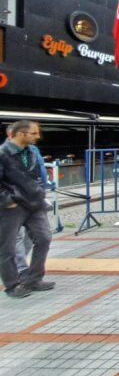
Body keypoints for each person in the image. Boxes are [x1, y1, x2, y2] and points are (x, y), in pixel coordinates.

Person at [0, 121, 53, 298]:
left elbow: (36, 176)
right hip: (12, 207)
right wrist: (7, 201)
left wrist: (40, 194)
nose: (38, 136)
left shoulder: (30, 152)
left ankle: (34, 279)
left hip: (34, 204)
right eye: (34, 133)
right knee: (7, 247)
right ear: (21, 134)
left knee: (44, 239)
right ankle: (12, 285)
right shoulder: (3, 153)